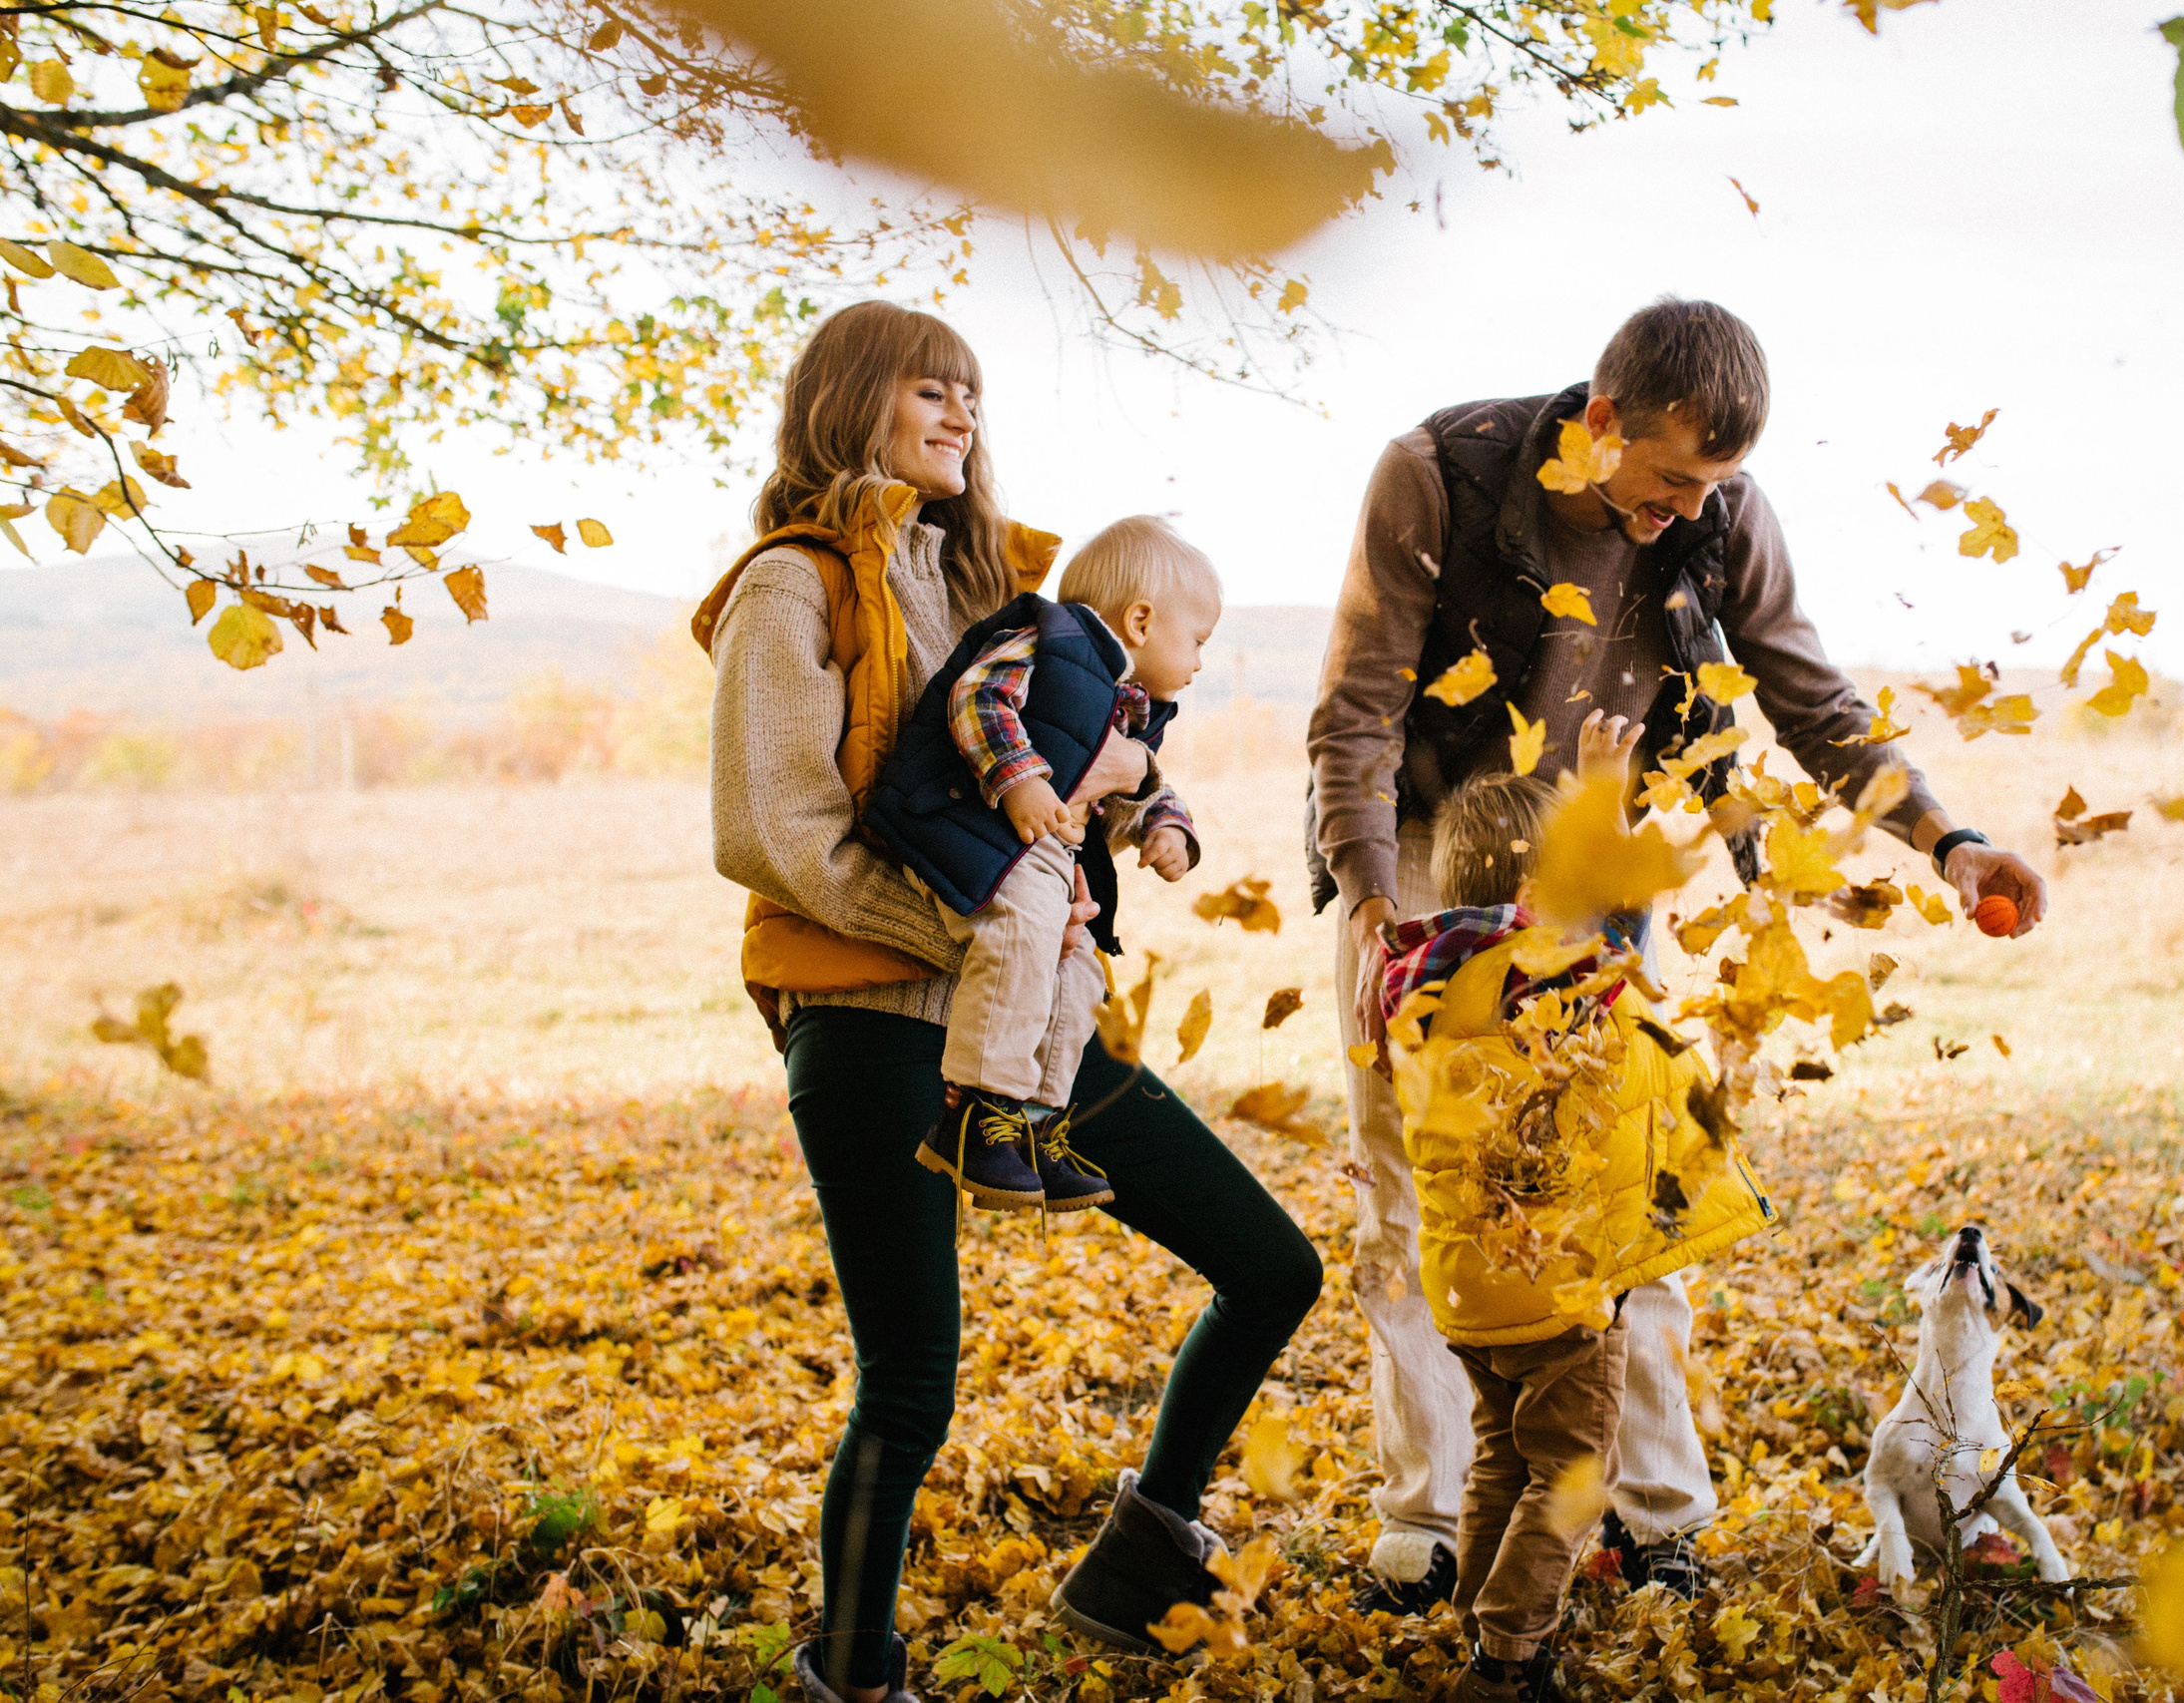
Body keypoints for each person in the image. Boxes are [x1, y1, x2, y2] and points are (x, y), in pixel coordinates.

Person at [1307, 294, 2049, 1607]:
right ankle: (1427, 1522)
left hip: (1597, 870)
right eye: (1665, 482)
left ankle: (1653, 1512)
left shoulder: (1724, 516)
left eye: (1713, 485)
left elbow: (1816, 705)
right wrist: (1374, 914)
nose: (1684, 510)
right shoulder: (1440, 475)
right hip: (1430, 867)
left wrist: (1951, 842)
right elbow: (1358, 710)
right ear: (1600, 424)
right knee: (1417, 1199)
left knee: (1624, 1201)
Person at [696, 301, 1321, 1703]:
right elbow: (769, 825)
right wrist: (974, 921)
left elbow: (1058, 760)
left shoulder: (995, 587)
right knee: (914, 1378)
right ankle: (853, 1671)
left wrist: (1131, 816)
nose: (963, 416)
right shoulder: (790, 589)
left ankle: (1142, 1549)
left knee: (1274, 1263)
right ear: (851, 399)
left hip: (1027, 1020)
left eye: (973, 396)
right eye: (932, 390)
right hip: (867, 1018)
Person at [1381, 740, 1775, 1703]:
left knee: (1499, 1461)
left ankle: (1479, 1610)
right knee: (1570, 1475)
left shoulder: (1415, 988)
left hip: (1468, 1294)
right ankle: (1509, 1659)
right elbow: (1624, 968)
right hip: (1563, 1293)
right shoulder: (1558, 978)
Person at [863, 516, 1218, 1211]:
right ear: (1141, 620)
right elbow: (980, 694)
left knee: (1080, 970)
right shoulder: (1053, 641)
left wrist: (1167, 824)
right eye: (1198, 641)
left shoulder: (1126, 708)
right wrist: (1019, 776)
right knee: (1021, 932)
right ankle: (972, 1113)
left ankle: (1031, 1125)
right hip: (968, 822)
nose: (1201, 662)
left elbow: (1126, 780)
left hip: (1043, 856)